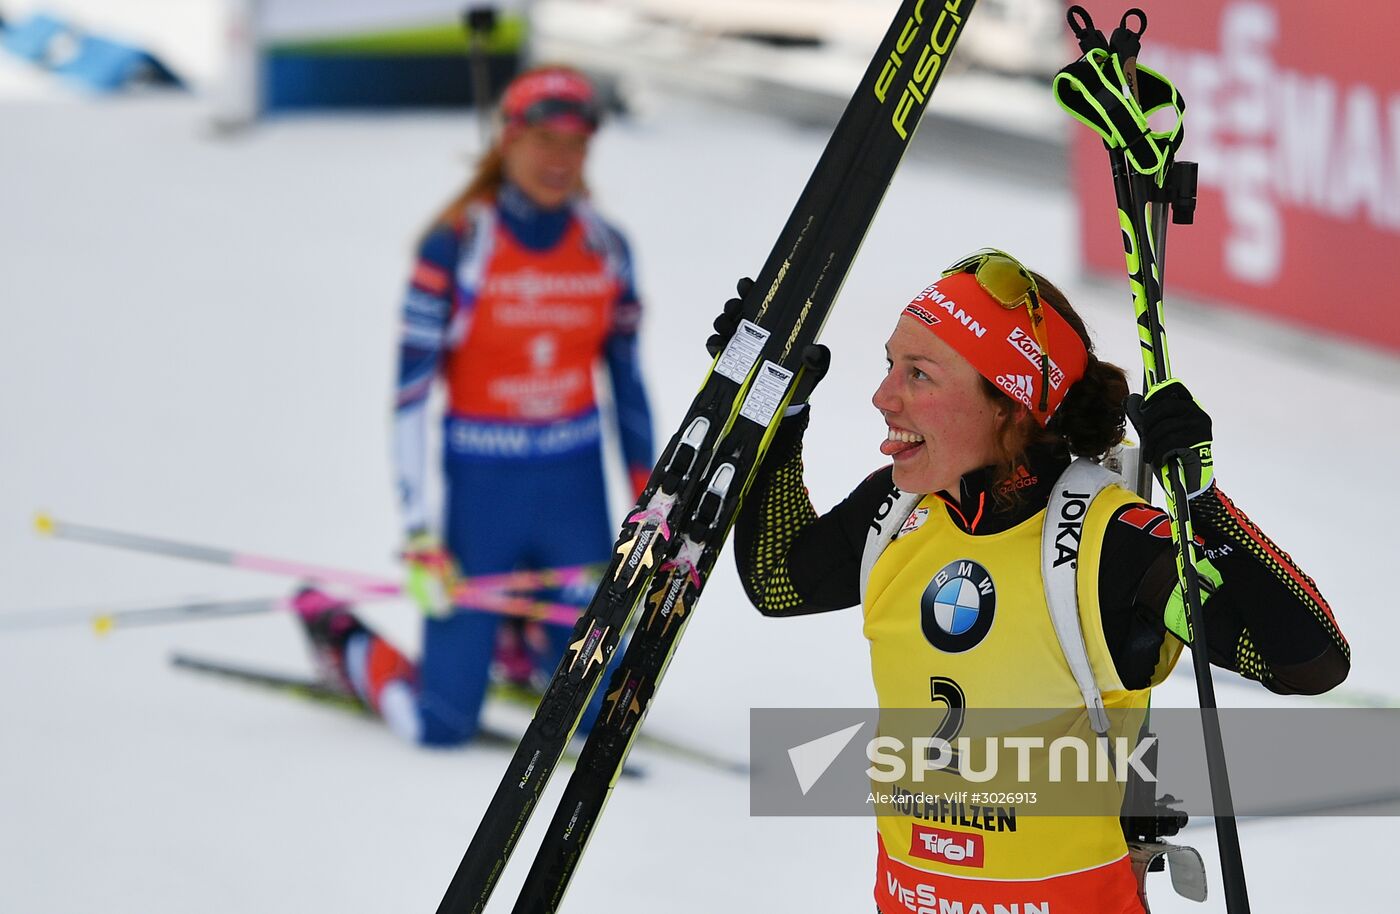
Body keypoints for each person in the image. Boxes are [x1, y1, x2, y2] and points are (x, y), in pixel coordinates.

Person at [732, 249, 1349, 913]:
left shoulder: (1111, 544)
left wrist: (1205, 507)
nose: (884, 397)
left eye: (919, 375)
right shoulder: (902, 509)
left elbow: (1308, 664)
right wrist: (780, 411)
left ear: (1010, 406)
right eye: (890, 366)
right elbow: (781, 580)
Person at [298, 65, 654, 747]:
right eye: (544, 140)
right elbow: (408, 397)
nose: (560, 161)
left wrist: (652, 503)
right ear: (507, 141)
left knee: (599, 718)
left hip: (572, 495)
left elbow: (628, 387)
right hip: (482, 502)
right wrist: (419, 534)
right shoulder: (458, 244)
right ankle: (335, 632)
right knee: (441, 726)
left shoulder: (606, 248)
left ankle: (521, 642)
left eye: (576, 145)